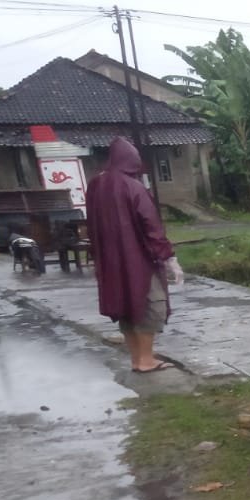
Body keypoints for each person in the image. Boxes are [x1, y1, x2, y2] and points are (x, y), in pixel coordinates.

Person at [85, 138, 182, 373]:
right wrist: (169, 257)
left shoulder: (96, 185)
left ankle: (136, 360)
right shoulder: (133, 186)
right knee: (150, 305)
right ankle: (147, 360)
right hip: (138, 260)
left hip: (110, 261)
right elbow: (151, 226)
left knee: (125, 307)